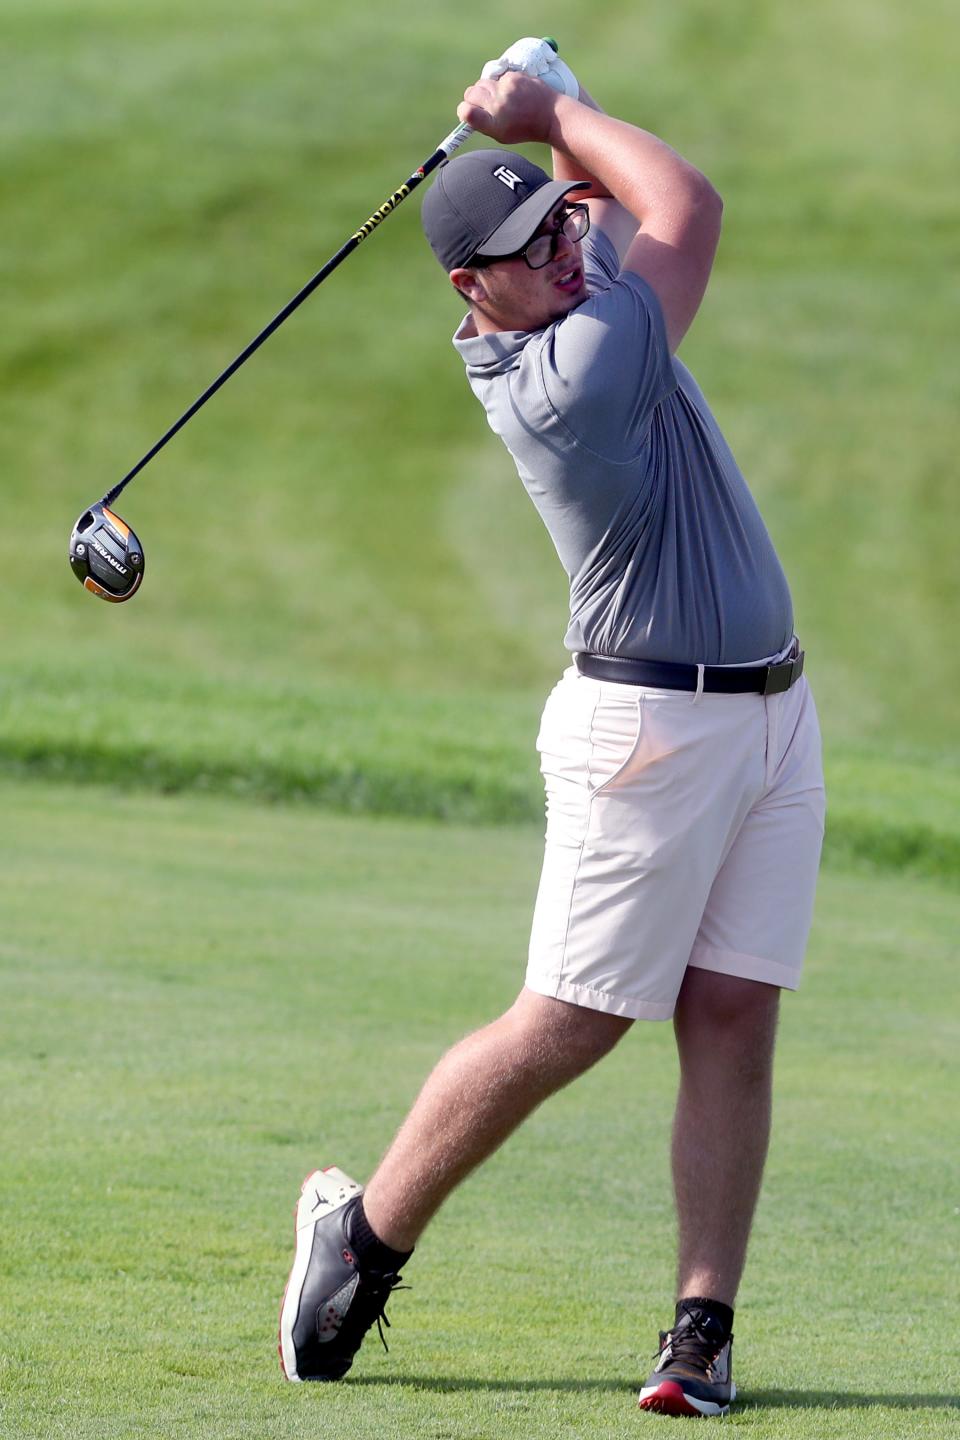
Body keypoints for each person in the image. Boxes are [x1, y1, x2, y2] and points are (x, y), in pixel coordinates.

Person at [278, 48, 825, 1419]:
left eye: (562, 225)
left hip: (769, 713)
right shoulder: (571, 377)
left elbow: (615, 209)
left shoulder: (581, 295)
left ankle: (700, 1333)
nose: (565, 251)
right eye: (527, 248)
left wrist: (544, 142)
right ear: (476, 292)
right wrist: (556, 106)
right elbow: (684, 202)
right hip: (647, 727)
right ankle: (363, 1241)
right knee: (572, 1023)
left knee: (734, 1013)